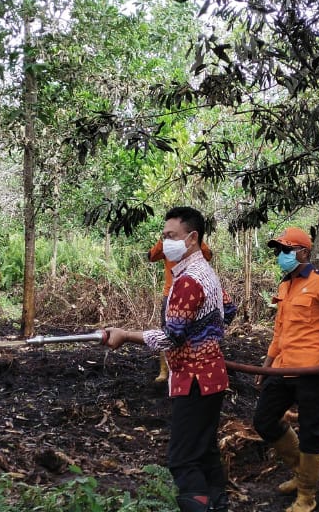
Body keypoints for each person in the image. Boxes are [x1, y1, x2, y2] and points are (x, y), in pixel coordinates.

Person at [104, 207, 230, 512]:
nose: (165, 243)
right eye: (163, 236)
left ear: (192, 238)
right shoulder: (207, 273)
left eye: (170, 236)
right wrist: (206, 332)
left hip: (195, 380)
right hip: (214, 376)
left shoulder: (187, 282)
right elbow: (229, 309)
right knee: (206, 450)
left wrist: (125, 335)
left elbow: (170, 337)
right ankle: (219, 505)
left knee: (182, 459)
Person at [252, 226, 319, 512]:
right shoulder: (285, 284)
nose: (281, 256)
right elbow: (280, 331)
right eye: (279, 251)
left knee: (311, 431)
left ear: (303, 252)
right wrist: (267, 363)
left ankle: (307, 496)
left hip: (311, 371)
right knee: (263, 421)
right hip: (282, 368)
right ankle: (301, 473)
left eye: (287, 250)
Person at [148, 236, 214, 383]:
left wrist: (195, 240)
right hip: (170, 294)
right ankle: (164, 370)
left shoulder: (192, 243)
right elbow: (151, 256)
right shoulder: (167, 245)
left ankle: (188, 368)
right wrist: (162, 240)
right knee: (168, 332)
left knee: (192, 331)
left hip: (192, 292)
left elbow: (208, 255)